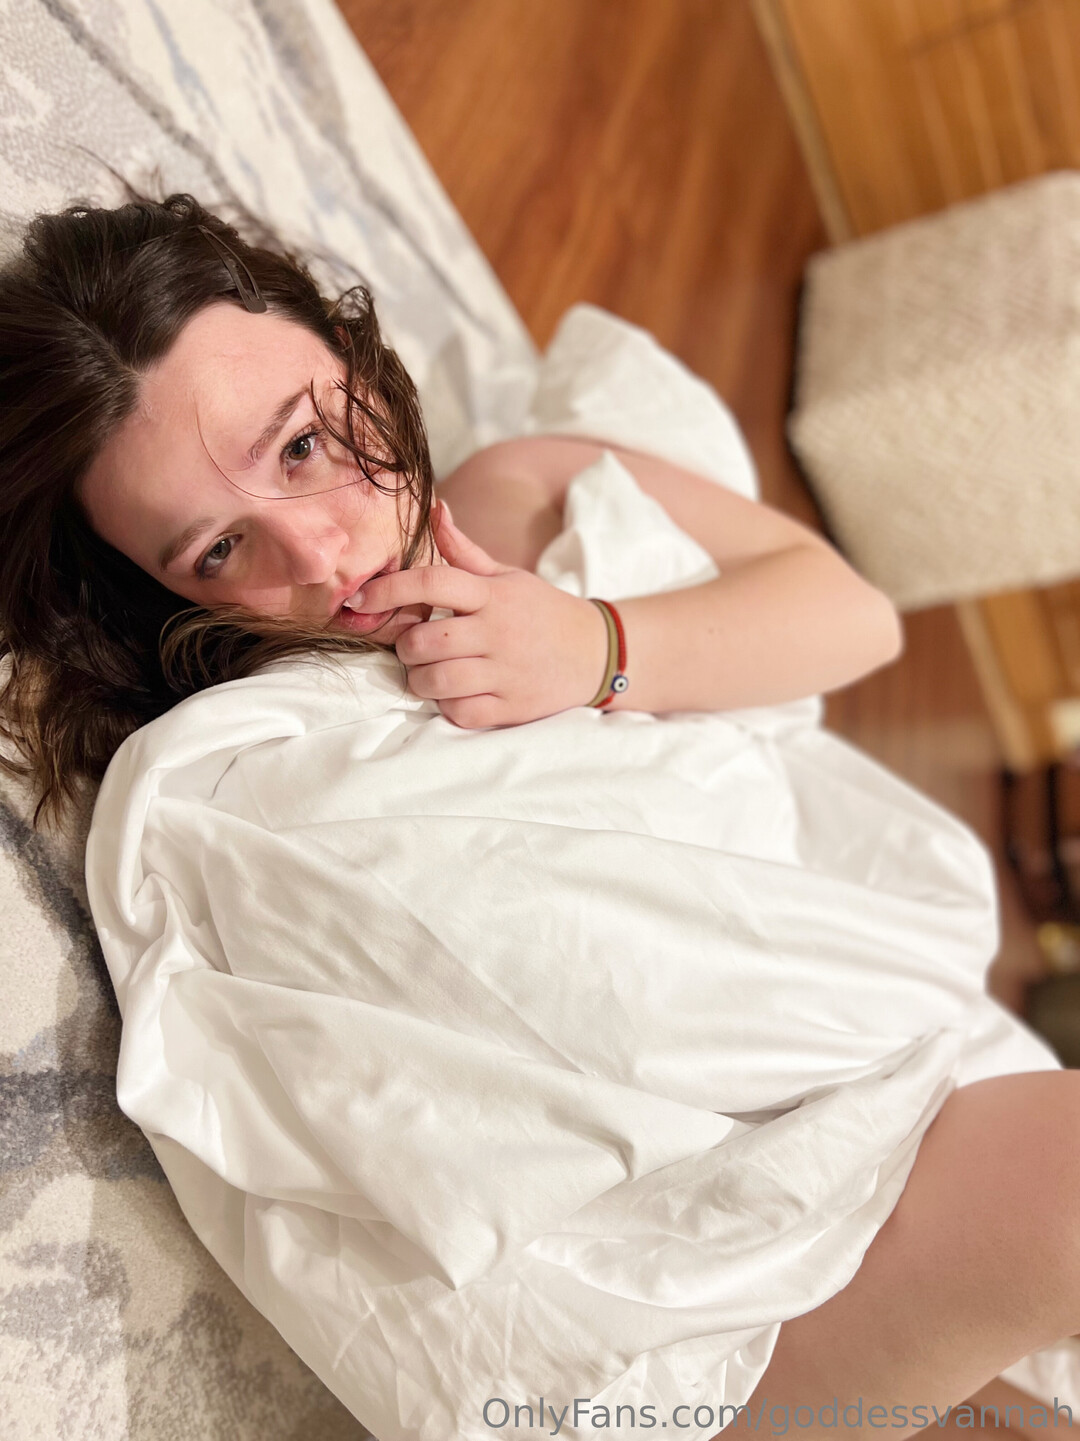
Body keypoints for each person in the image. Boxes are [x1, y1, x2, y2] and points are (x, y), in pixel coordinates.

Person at [1, 192, 1077, 1441]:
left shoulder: (522, 491)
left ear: (347, 351)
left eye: (300, 447)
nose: (320, 557)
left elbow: (855, 619)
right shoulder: (248, 761)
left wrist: (599, 647)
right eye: (218, 552)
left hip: (879, 1108)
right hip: (678, 1306)